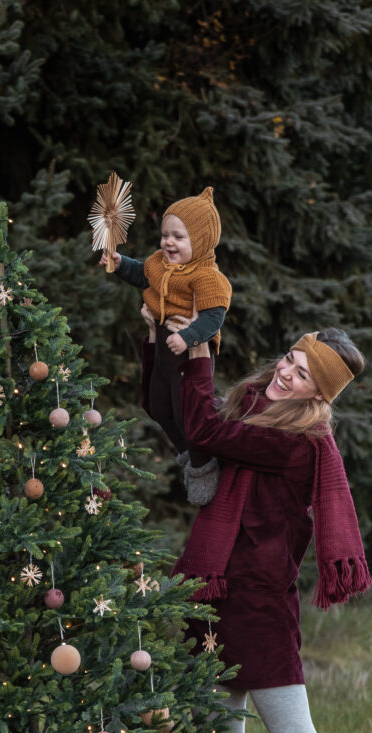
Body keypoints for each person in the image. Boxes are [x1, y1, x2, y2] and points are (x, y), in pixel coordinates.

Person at [150, 324, 372, 733]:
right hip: (211, 600)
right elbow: (184, 420)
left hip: (257, 606)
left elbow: (204, 428)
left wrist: (203, 351)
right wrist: (165, 340)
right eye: (290, 359)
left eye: (303, 373)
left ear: (319, 394)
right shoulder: (255, 412)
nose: (286, 372)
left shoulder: (300, 440)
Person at [101, 187, 232, 505]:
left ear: (200, 241)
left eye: (178, 237)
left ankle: (202, 467)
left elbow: (214, 318)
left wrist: (188, 337)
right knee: (158, 406)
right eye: (165, 235)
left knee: (187, 411)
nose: (168, 243)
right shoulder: (160, 264)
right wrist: (120, 264)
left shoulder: (208, 278)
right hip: (162, 343)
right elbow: (143, 275)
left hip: (190, 352)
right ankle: (190, 453)